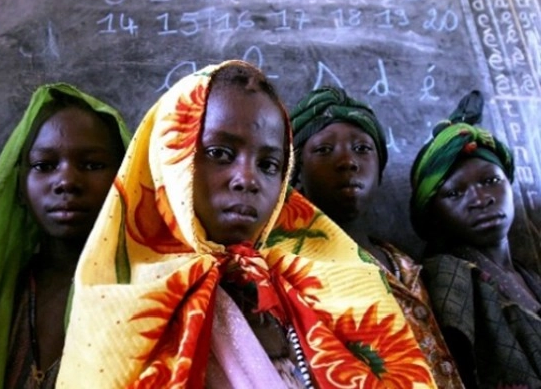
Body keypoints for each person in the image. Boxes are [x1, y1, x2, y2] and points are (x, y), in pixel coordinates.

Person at [56, 61, 436, 388]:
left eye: (269, 164)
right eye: (220, 153)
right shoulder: (118, 300)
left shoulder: (331, 284)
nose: (248, 179)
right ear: (170, 155)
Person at [0, 83, 131, 389]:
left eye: (92, 165)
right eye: (44, 165)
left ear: (126, 179)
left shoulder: (152, 293)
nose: (66, 181)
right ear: (19, 186)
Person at [288, 86, 464, 388]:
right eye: (324, 150)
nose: (348, 161)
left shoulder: (405, 262)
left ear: (380, 170)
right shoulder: (297, 269)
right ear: (297, 175)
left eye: (362, 148)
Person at [410, 90, 541, 388]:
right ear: (433, 213)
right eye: (455, 193)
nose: (481, 199)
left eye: (491, 181)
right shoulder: (447, 276)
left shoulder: (529, 277)